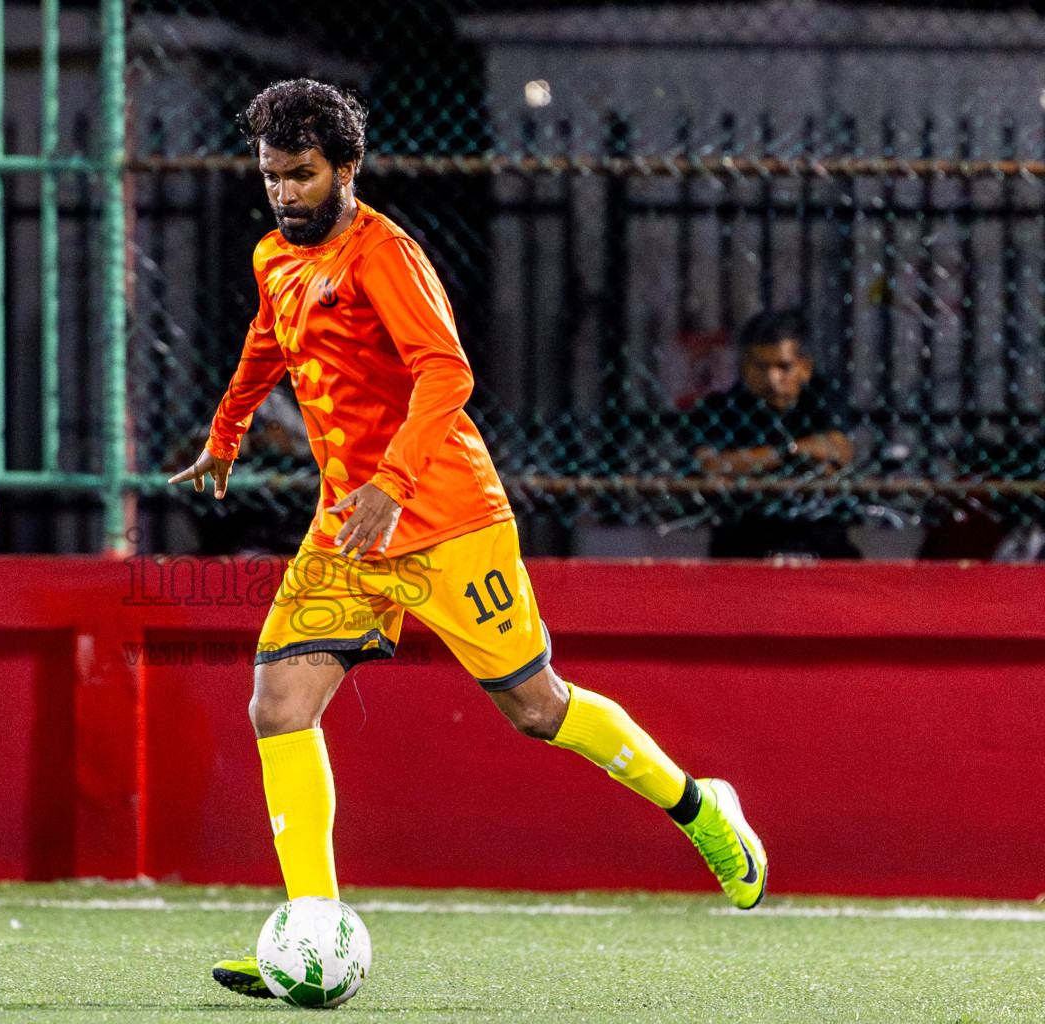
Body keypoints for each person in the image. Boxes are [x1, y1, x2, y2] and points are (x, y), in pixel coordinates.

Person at [168, 79, 768, 1001]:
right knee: (279, 705)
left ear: (347, 169)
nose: (284, 193)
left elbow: (447, 374)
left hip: (447, 518)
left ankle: (700, 807)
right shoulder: (274, 255)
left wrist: (392, 482)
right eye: (271, 174)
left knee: (537, 708)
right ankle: (313, 931)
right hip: (349, 527)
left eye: (301, 174)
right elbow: (267, 338)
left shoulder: (386, 256)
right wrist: (226, 432)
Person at [690, 310, 858, 559]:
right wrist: (789, 454)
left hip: (819, 543)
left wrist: (749, 464)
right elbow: (710, 466)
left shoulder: (822, 399)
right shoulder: (720, 409)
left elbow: (837, 451)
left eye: (783, 367)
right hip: (743, 544)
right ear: (744, 366)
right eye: (761, 366)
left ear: (805, 367)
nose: (772, 379)